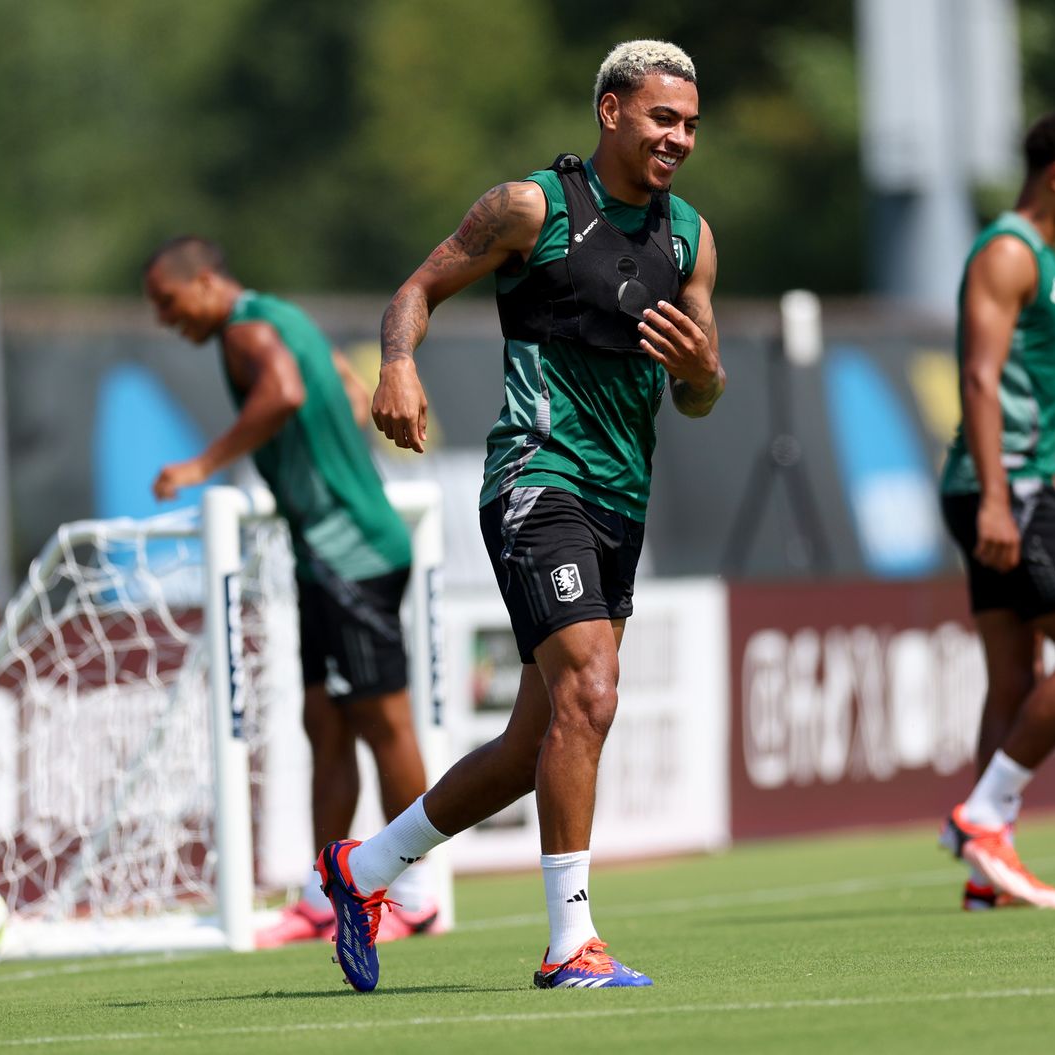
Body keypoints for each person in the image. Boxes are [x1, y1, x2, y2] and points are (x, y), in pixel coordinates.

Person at [315, 39, 723, 993]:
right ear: (612, 110)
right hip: (538, 478)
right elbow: (414, 291)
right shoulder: (530, 208)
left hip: (623, 497)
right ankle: (570, 943)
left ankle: (363, 868)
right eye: (664, 118)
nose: (680, 139)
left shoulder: (691, 237)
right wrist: (400, 365)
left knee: (531, 740)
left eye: (692, 124)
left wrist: (703, 376)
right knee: (592, 691)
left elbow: (700, 394)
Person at [141, 236, 442, 945]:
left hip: (352, 550)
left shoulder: (247, 331)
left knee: (384, 724)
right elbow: (338, 378)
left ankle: (415, 894)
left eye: (168, 300)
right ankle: (322, 892)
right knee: (325, 723)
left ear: (208, 281)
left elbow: (287, 391)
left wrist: (203, 464)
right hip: (324, 553)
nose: (164, 317)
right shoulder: (283, 314)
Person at [937, 112, 1055, 911]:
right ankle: (984, 814)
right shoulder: (1010, 253)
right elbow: (980, 380)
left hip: (1003, 484)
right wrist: (997, 499)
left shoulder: (1037, 255)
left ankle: (990, 872)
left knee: (1015, 677)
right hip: (1005, 485)